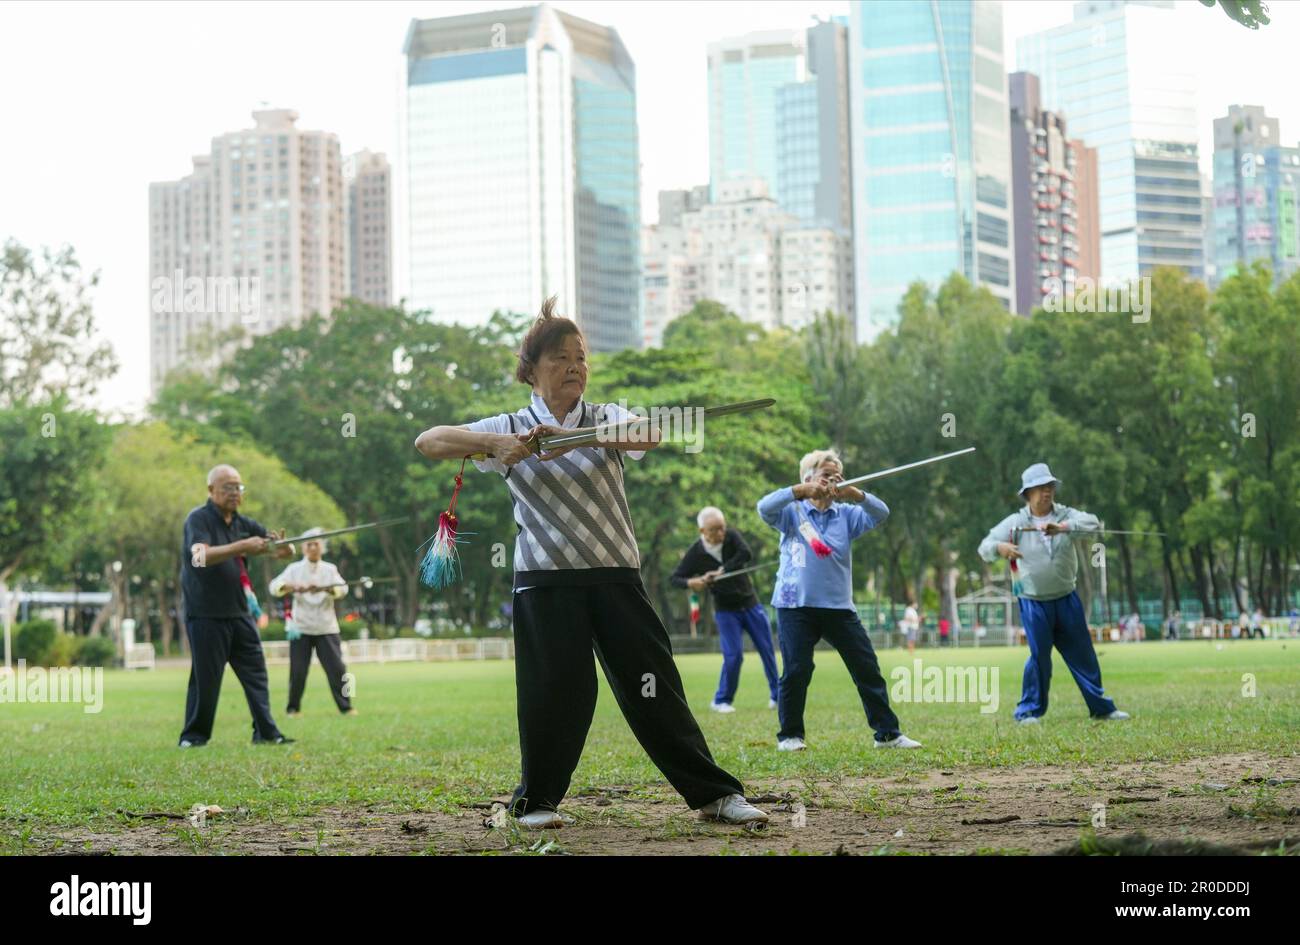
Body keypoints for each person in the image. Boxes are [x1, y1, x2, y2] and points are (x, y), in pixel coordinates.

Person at [414, 296, 767, 829]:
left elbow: (650, 433)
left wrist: (579, 438)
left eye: (580, 356)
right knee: (555, 694)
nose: (576, 366)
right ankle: (536, 804)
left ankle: (714, 796)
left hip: (615, 577)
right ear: (531, 370)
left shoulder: (607, 417)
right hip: (543, 583)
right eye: (560, 357)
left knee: (653, 685)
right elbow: (429, 440)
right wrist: (496, 443)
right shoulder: (508, 427)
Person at [757, 448, 922, 752]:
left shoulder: (847, 515)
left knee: (866, 668)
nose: (831, 482)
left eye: (836, 476)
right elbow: (763, 508)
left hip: (839, 608)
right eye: (825, 476)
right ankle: (790, 736)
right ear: (808, 479)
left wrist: (854, 493)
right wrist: (798, 492)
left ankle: (887, 734)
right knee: (797, 670)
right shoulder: (791, 514)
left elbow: (881, 513)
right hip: (795, 606)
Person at [978, 463, 1129, 724]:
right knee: (1039, 658)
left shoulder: (1065, 515)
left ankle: (1102, 709)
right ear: (1027, 493)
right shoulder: (1016, 522)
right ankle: (1027, 711)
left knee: (1083, 655)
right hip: (1033, 601)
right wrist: (1001, 547)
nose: (1046, 492)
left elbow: (1093, 523)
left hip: (1066, 597)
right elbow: (985, 547)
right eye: (1039, 488)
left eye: (1049, 487)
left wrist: (1065, 527)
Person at [178, 464, 296, 747]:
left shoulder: (245, 524)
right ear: (211, 490)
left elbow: (281, 551)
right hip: (205, 613)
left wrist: (283, 548)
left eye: (238, 487)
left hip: (239, 612)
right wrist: (242, 547)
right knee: (206, 678)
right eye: (227, 487)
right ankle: (193, 736)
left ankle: (266, 732)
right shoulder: (199, 520)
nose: (234, 493)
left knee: (256, 673)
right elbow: (199, 557)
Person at [670, 506, 779, 713]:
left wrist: (723, 570)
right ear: (702, 531)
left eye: (722, 528)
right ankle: (721, 701)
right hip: (725, 610)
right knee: (733, 655)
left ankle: (777, 696)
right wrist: (696, 581)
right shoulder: (696, 552)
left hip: (750, 603)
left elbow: (746, 553)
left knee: (767, 650)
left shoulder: (731, 536)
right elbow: (675, 579)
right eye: (714, 530)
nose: (720, 533)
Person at [269, 528, 356, 717]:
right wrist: (292, 587)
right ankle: (293, 708)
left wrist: (327, 589)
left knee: (339, 669)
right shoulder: (294, 569)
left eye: (316, 543)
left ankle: (347, 706)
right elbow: (274, 587)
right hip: (301, 627)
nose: (313, 547)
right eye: (309, 544)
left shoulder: (330, 569)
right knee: (298, 671)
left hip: (326, 627)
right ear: (303, 548)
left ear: (321, 547)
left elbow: (343, 589)